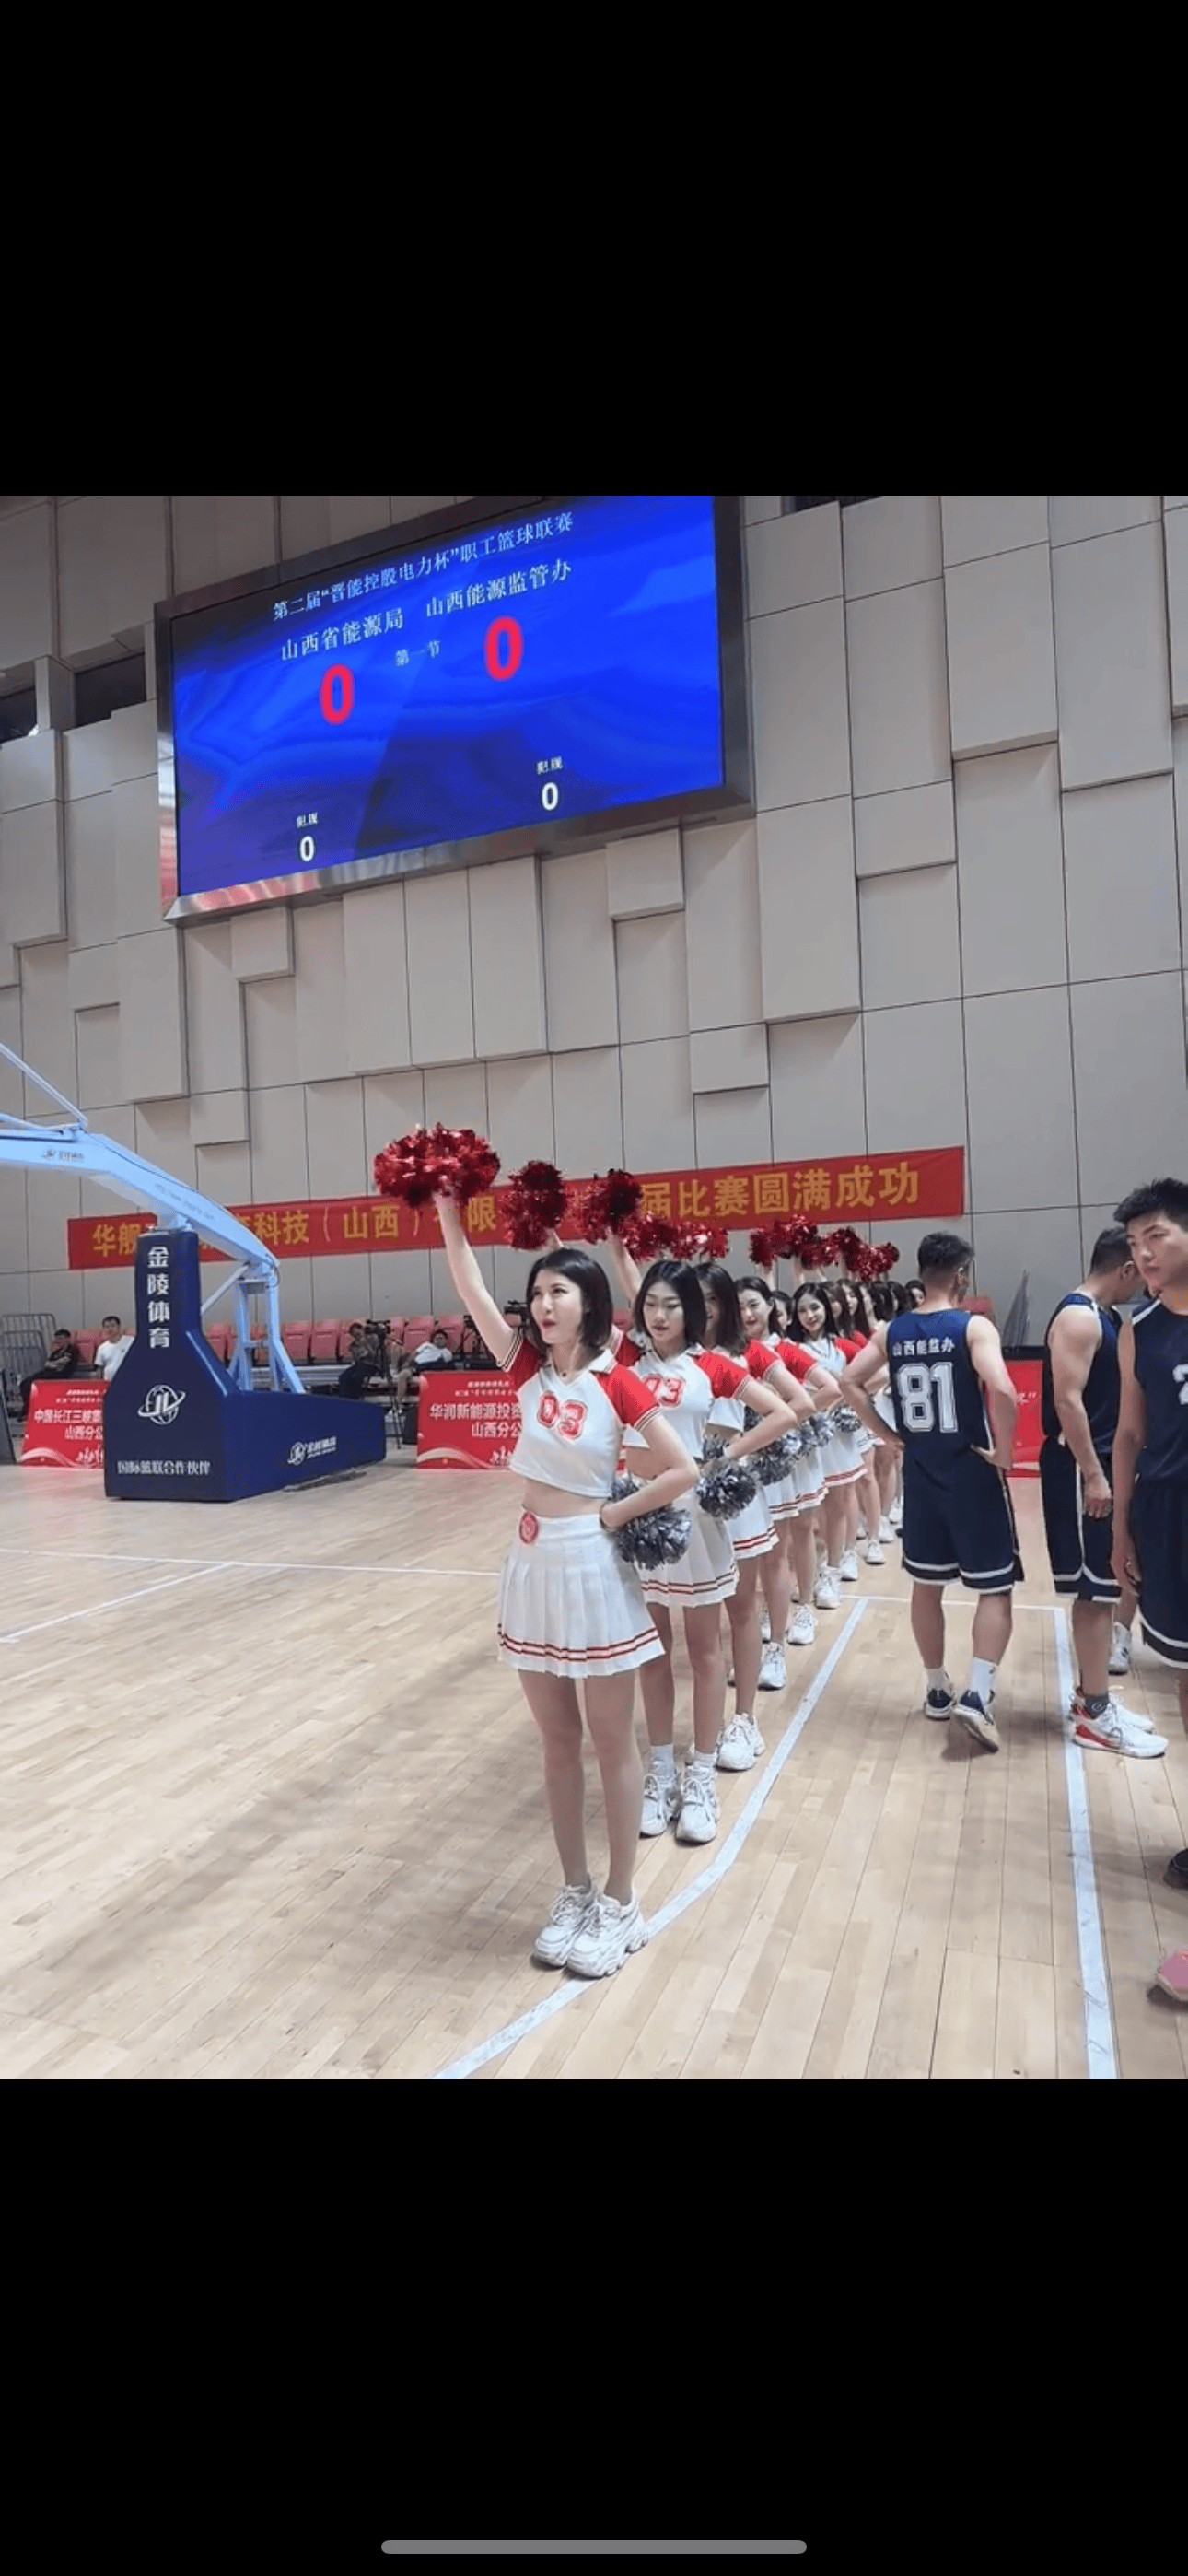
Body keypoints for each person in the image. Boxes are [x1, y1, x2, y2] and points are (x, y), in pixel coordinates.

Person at [435, 1192, 697, 1978]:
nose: (542, 1304)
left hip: (592, 1562)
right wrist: (448, 1211)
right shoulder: (524, 1368)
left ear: (590, 1304)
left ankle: (622, 1900)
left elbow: (682, 1468)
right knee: (556, 1742)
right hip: (530, 1562)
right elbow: (470, 1286)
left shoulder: (619, 1382)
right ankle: (576, 1889)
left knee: (612, 1741)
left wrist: (614, 1514)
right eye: (537, 1292)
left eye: (559, 1291)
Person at [604, 1241, 797, 1840]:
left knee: (705, 1648)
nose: (659, 1315)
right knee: (651, 1651)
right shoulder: (625, 1359)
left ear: (690, 1310)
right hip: (637, 1517)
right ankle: (661, 1770)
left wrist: (724, 1456)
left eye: (671, 1305)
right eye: (650, 1305)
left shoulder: (710, 1366)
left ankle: (702, 1774)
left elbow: (783, 1412)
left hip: (693, 1521)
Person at [839, 1232, 1022, 1751]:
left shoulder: (892, 1331)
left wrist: (887, 1435)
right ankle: (978, 1693)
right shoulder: (972, 1326)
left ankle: (938, 1688)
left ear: (922, 1273)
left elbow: (849, 1383)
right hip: (971, 1471)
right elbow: (1004, 1389)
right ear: (961, 1275)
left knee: (927, 1584)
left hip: (920, 1472)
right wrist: (1005, 1451)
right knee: (994, 1586)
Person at [1039, 1227, 1161, 1759]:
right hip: (1081, 1468)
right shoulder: (1079, 1318)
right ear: (1125, 1268)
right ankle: (1094, 1712)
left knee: (1103, 1589)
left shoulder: (1104, 1317)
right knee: (1095, 1591)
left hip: (1103, 1463)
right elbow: (1067, 1401)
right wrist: (1093, 1474)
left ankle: (1094, 1699)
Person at [1111, 1179, 1188, 1893]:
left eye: (1156, 1236)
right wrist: (1122, 1528)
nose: (1144, 1253)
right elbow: (1130, 1434)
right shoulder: (1140, 1327)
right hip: (1169, 1514)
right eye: (1136, 1244)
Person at [734, 1274, 843, 1646]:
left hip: (789, 1456)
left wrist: (782, 1417)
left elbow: (830, 1389)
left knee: (799, 1532)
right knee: (764, 1543)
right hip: (751, 1457)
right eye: (740, 1306)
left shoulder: (786, 1350)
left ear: (770, 1306)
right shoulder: (731, 1350)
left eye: (754, 1304)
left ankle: (804, 1607)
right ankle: (772, 1609)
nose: (747, 1313)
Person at [17, 1328, 82, 1417]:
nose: (58, 1341)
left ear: (68, 1339)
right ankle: (27, 1407)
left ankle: (27, 1410)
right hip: (48, 1372)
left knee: (32, 1383)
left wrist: (53, 1364)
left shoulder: (72, 1350)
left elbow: (63, 1362)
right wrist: (54, 1364)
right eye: (57, 1338)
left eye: (60, 1338)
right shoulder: (57, 1352)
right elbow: (47, 1364)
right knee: (24, 1383)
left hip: (60, 1374)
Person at [95, 1314, 134, 1380]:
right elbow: (100, 1368)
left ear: (118, 1327)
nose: (110, 1329)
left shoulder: (131, 1341)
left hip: (128, 1380)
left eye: (113, 1326)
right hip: (109, 1382)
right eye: (107, 1327)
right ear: (103, 1329)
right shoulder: (102, 1348)